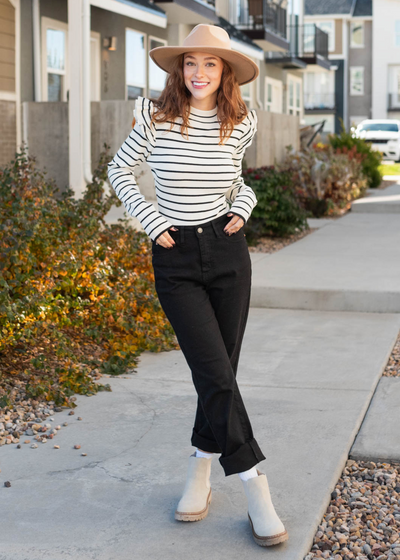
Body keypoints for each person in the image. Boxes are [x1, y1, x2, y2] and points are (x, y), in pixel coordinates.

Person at [107, 23, 288, 547]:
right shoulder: (155, 116)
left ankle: (200, 470)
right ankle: (255, 486)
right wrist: (150, 218)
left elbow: (235, 179)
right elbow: (121, 171)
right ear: (178, 69)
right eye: (191, 62)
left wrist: (244, 205)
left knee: (220, 372)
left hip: (229, 251)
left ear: (226, 72)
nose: (199, 72)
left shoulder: (241, 120)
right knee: (212, 368)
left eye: (211, 64)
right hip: (176, 258)